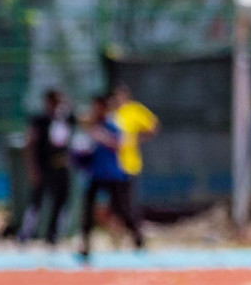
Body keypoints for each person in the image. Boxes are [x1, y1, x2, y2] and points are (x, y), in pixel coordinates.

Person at [78, 93, 144, 261]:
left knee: (122, 208)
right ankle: (85, 245)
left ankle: (138, 239)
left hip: (113, 174)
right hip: (95, 173)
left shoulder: (113, 124)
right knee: (87, 209)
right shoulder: (91, 125)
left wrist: (101, 136)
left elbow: (120, 144)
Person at [19, 89, 75, 246]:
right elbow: (29, 144)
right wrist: (31, 167)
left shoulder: (66, 119)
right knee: (36, 201)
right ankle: (26, 233)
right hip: (44, 166)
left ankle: (54, 235)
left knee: (62, 200)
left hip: (61, 167)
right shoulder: (40, 121)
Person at [110, 83, 159, 207]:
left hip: (129, 162)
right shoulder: (111, 111)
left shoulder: (134, 110)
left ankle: (132, 223)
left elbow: (153, 127)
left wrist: (137, 140)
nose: (118, 98)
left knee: (128, 198)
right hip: (111, 163)